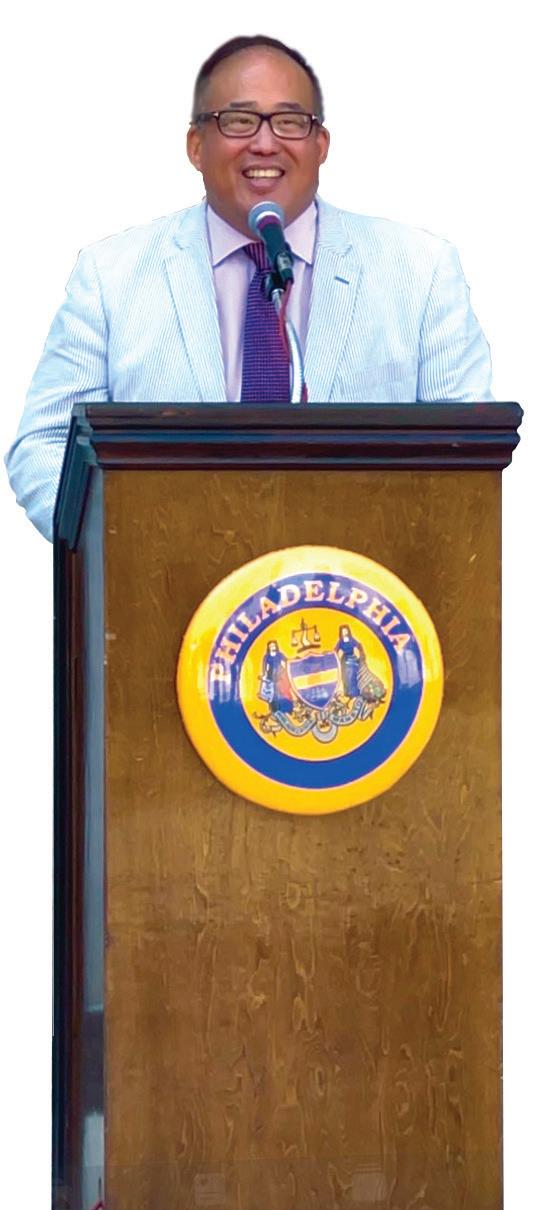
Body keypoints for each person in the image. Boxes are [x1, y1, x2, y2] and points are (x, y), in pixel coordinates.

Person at [4, 34, 493, 542]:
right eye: (238, 121)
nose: (265, 143)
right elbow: (45, 445)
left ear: (321, 146)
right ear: (196, 145)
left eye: (290, 122)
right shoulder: (112, 276)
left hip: (358, 582)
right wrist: (134, 545)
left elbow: (466, 456)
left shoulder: (420, 272)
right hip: (169, 577)